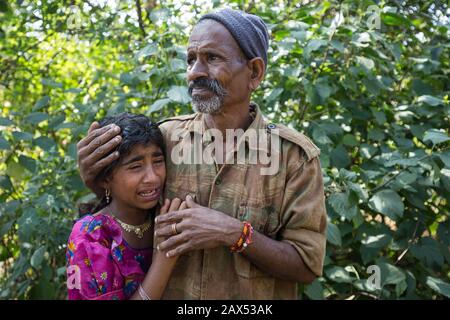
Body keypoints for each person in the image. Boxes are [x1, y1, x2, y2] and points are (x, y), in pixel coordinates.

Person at [76, 8, 327, 299]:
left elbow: (307, 266)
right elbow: (124, 215)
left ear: (255, 72)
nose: (195, 72)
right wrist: (96, 178)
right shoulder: (163, 141)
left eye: (212, 58)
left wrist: (234, 234)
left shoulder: (293, 157)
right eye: (191, 59)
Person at [66, 113, 186, 300]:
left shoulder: (163, 214)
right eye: (135, 166)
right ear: (106, 178)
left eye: (158, 161)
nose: (153, 177)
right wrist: (165, 257)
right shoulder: (90, 237)